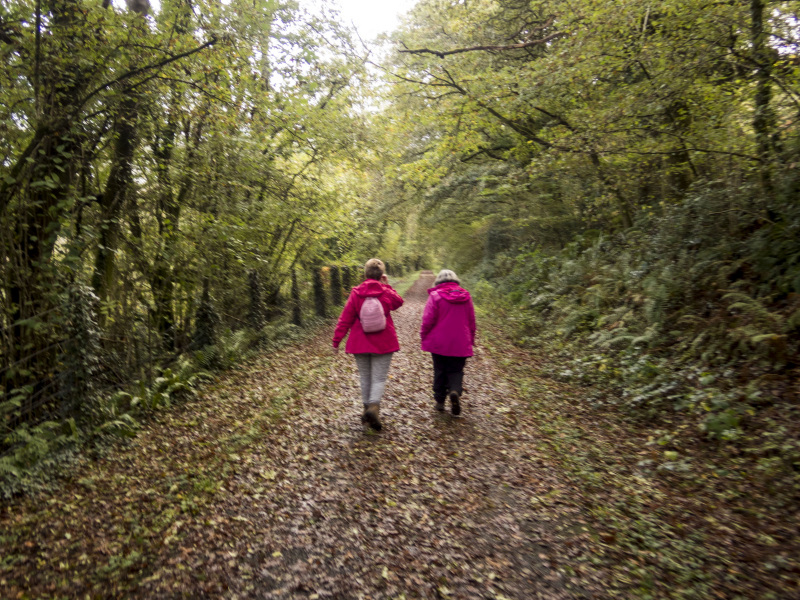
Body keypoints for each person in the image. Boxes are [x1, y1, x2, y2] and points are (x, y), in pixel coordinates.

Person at [332, 258, 404, 431]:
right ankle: (373, 407)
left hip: (360, 342)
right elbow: (399, 302)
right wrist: (387, 285)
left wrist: (336, 341)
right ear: (381, 275)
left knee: (365, 377)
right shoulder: (385, 291)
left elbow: (345, 318)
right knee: (379, 378)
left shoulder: (356, 293)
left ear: (365, 274)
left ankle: (367, 409)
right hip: (384, 342)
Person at [420, 269, 476, 415]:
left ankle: (439, 401)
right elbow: (471, 320)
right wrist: (471, 337)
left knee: (440, 370)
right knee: (456, 370)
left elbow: (427, 319)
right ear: (456, 281)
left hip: (439, 342)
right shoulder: (466, 296)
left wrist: (423, 335)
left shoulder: (435, 296)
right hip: (461, 341)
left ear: (438, 282)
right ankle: (455, 391)